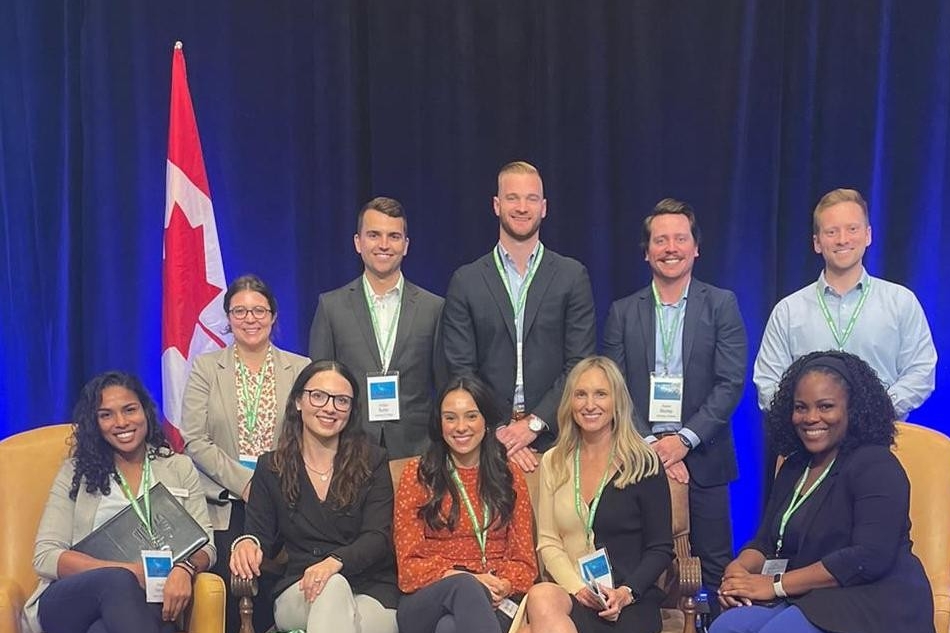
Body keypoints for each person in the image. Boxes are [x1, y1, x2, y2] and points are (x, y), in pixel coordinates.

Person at [713, 350, 934, 633]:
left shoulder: (876, 465)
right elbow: (767, 543)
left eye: (826, 406)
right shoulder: (794, 465)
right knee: (727, 627)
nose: (811, 418)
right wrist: (739, 571)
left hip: (876, 598)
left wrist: (775, 585)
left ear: (852, 410)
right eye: (801, 407)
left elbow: (868, 557)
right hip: (812, 594)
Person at [602, 198, 746, 613]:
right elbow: (615, 387)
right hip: (637, 457)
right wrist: (651, 443)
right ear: (646, 251)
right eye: (660, 240)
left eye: (679, 239)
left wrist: (682, 441)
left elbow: (730, 382)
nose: (670, 248)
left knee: (716, 565)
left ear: (695, 247)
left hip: (705, 455)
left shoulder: (722, 305)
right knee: (639, 561)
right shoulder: (623, 312)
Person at [23, 371, 215, 633]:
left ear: (145, 411)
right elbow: (46, 556)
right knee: (118, 582)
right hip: (70, 602)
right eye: (106, 415)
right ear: (95, 423)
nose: (121, 422)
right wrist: (131, 573)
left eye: (129, 409)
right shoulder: (75, 472)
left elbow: (206, 544)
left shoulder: (178, 467)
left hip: (147, 603)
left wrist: (186, 568)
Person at [442, 161, 596, 472]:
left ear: (544, 207)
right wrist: (500, 431)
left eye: (531, 198)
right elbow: (460, 368)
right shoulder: (466, 280)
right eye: (512, 198)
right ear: (497, 205)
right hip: (485, 442)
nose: (522, 207)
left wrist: (533, 425)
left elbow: (579, 363)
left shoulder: (571, 275)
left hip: (555, 440)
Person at [180, 274, 310, 633]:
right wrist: (247, 484)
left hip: (287, 494)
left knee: (277, 591)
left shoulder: (300, 368)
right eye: (240, 311)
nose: (250, 319)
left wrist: (270, 484)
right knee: (232, 590)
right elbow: (193, 437)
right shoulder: (207, 368)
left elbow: (309, 434)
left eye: (258, 310)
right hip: (225, 498)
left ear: (273, 315)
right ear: (228, 318)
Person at [230, 360, 399, 633]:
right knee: (331, 589)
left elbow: (378, 536)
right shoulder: (271, 468)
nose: (330, 407)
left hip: (371, 589)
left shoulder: (372, 461)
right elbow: (259, 536)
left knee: (339, 595)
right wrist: (247, 543)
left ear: (351, 410)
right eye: (318, 396)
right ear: (298, 400)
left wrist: (335, 563)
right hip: (300, 588)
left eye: (341, 400)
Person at [753, 188, 936, 420]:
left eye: (852, 229)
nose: (842, 239)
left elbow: (921, 372)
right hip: (810, 443)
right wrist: (810, 414)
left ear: (868, 235)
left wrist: (874, 412)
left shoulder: (901, 302)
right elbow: (768, 383)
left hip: (882, 441)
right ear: (817, 243)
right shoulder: (788, 311)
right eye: (831, 232)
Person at [522, 356, 673, 633]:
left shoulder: (644, 463)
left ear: (617, 402)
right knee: (541, 595)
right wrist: (579, 590)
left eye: (600, 394)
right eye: (580, 395)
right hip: (574, 592)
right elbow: (548, 541)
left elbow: (660, 548)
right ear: (569, 402)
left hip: (628, 600)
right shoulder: (554, 461)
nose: (589, 405)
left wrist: (626, 592)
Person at [394, 374, 538, 633]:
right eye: (450, 418)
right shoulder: (418, 473)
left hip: (496, 597)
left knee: (450, 628)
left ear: (486, 421)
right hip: (427, 598)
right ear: (439, 424)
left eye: (471, 416)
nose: (461, 427)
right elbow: (408, 568)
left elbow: (525, 562)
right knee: (465, 587)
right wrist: (471, 580)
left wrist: (502, 584)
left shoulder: (509, 474)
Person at [309, 196, 444, 458]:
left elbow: (444, 385)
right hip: (349, 449)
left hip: (417, 450)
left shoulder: (434, 308)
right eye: (374, 235)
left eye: (393, 236)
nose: (384, 245)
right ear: (358, 242)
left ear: (405, 246)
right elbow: (319, 386)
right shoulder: (331, 307)